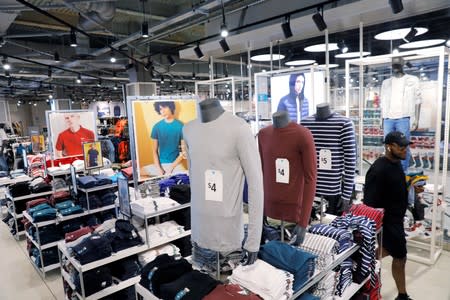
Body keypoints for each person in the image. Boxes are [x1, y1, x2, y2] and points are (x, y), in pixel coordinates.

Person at [363, 131, 413, 300]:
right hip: (388, 222)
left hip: (396, 219)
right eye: (401, 146)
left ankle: (361, 260)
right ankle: (402, 295)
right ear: (389, 147)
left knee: (387, 252)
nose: (405, 149)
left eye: (406, 146)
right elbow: (369, 203)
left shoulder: (396, 162)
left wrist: (410, 187)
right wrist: (378, 228)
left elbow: (394, 188)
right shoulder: (378, 169)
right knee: (400, 256)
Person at [150, 101, 185, 175]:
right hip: (160, 164)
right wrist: (159, 169)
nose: (162, 111)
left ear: (171, 107)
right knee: (140, 172)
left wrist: (171, 167)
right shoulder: (156, 127)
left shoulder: (181, 126)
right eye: (160, 109)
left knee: (185, 179)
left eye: (165, 107)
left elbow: (183, 152)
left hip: (176, 164)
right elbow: (154, 151)